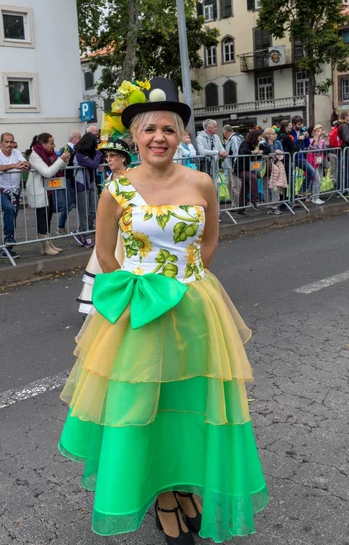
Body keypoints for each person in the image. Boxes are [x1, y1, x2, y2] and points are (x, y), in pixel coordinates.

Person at [59, 80, 268, 545]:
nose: (159, 137)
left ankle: (181, 483)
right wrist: (137, 292)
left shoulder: (201, 182)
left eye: (169, 130)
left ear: (180, 137)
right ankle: (163, 494)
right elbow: (105, 251)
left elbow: (210, 240)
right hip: (139, 314)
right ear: (134, 137)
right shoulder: (117, 188)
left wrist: (186, 283)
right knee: (142, 405)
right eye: (149, 129)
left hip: (195, 306)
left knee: (190, 401)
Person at [77, 138, 132, 315]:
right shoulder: (109, 177)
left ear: (123, 158)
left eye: (113, 156)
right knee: (102, 261)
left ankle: (125, 302)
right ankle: (99, 304)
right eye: (107, 156)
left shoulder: (132, 176)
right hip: (109, 229)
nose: (109, 159)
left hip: (125, 228)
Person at [25, 133, 70, 255]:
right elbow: (47, 172)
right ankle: (44, 246)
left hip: (47, 189)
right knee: (42, 218)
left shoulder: (49, 154)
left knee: (48, 216)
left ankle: (48, 243)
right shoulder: (35, 155)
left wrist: (65, 161)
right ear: (43, 144)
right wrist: (60, 160)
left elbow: (58, 167)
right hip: (38, 189)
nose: (54, 146)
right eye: (51, 143)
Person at [0, 133, 30, 259]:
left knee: (12, 217)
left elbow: (25, 163)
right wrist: (15, 165)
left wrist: (26, 165)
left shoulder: (17, 152)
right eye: (6, 142)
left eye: (11, 142)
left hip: (14, 191)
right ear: (1, 143)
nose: (9, 145)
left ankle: (6, 249)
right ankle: (9, 237)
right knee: (9, 209)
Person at [72, 132, 103, 248]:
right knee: (83, 211)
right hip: (81, 185)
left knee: (94, 209)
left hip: (91, 183)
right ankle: (85, 235)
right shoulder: (79, 154)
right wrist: (99, 153)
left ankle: (83, 231)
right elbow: (94, 164)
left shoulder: (89, 153)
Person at [234, 130, 270, 215]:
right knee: (253, 178)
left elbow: (267, 149)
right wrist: (253, 152)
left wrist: (261, 151)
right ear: (255, 136)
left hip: (249, 169)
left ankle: (241, 208)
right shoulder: (245, 143)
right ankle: (255, 200)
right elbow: (243, 151)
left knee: (245, 189)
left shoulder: (257, 144)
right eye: (259, 136)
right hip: (241, 169)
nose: (260, 138)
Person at [56, 129, 82, 236]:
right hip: (67, 178)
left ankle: (84, 225)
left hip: (74, 178)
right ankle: (60, 226)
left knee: (74, 202)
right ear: (75, 139)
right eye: (79, 138)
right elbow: (64, 163)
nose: (81, 140)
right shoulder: (66, 148)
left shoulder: (75, 148)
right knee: (69, 203)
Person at [261, 127, 287, 215]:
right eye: (272, 134)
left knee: (275, 188)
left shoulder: (278, 142)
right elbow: (262, 154)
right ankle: (269, 206)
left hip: (275, 168)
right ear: (267, 135)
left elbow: (283, 153)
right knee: (266, 188)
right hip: (265, 168)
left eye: (275, 133)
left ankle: (275, 206)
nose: (274, 135)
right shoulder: (262, 143)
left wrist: (278, 153)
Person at [290, 116, 315, 196]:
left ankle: (302, 190)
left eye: (301, 124)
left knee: (311, 171)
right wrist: (299, 139)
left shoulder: (303, 131)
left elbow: (307, 144)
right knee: (291, 179)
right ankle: (292, 197)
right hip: (292, 157)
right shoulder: (290, 132)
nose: (300, 126)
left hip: (300, 157)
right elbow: (293, 145)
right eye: (298, 124)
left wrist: (307, 137)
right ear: (294, 124)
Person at [222, 124, 243, 208]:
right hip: (229, 167)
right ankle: (235, 204)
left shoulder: (234, 139)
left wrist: (235, 166)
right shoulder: (233, 138)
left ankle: (238, 205)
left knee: (235, 186)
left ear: (225, 132)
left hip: (232, 167)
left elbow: (236, 152)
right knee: (231, 186)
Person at [307, 124, 327, 205]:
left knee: (320, 179)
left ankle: (316, 196)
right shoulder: (311, 140)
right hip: (312, 161)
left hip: (319, 161)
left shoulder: (322, 141)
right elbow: (312, 148)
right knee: (316, 179)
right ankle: (315, 197)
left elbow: (326, 149)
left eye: (321, 131)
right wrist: (316, 139)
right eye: (318, 131)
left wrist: (326, 138)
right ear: (314, 132)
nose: (320, 132)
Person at [338, 111, 349, 191]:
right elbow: (347, 138)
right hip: (346, 151)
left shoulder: (342, 125)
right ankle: (345, 188)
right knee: (346, 171)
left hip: (345, 150)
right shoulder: (344, 126)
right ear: (346, 117)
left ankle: (343, 188)